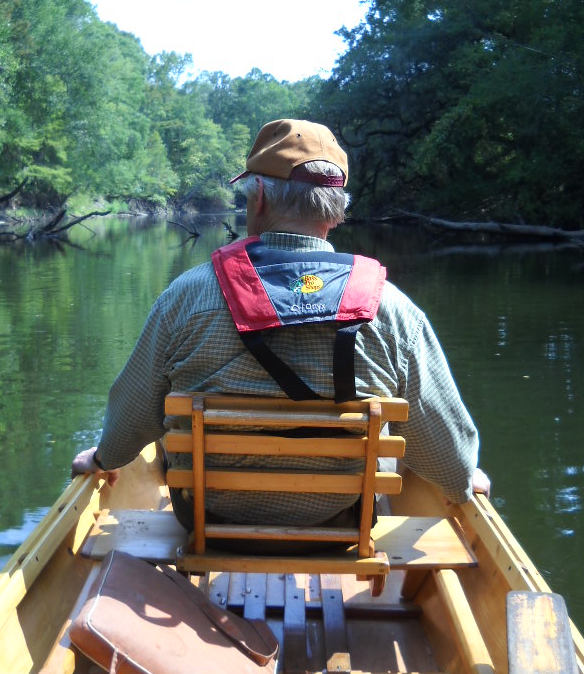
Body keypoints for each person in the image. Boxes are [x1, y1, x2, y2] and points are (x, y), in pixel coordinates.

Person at [71, 118, 490, 527]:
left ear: (260, 199)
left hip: (209, 518)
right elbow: (449, 459)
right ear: (336, 209)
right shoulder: (393, 310)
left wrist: (104, 458)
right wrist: (464, 478)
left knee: (167, 423)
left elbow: (131, 416)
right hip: (341, 518)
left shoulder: (187, 296)